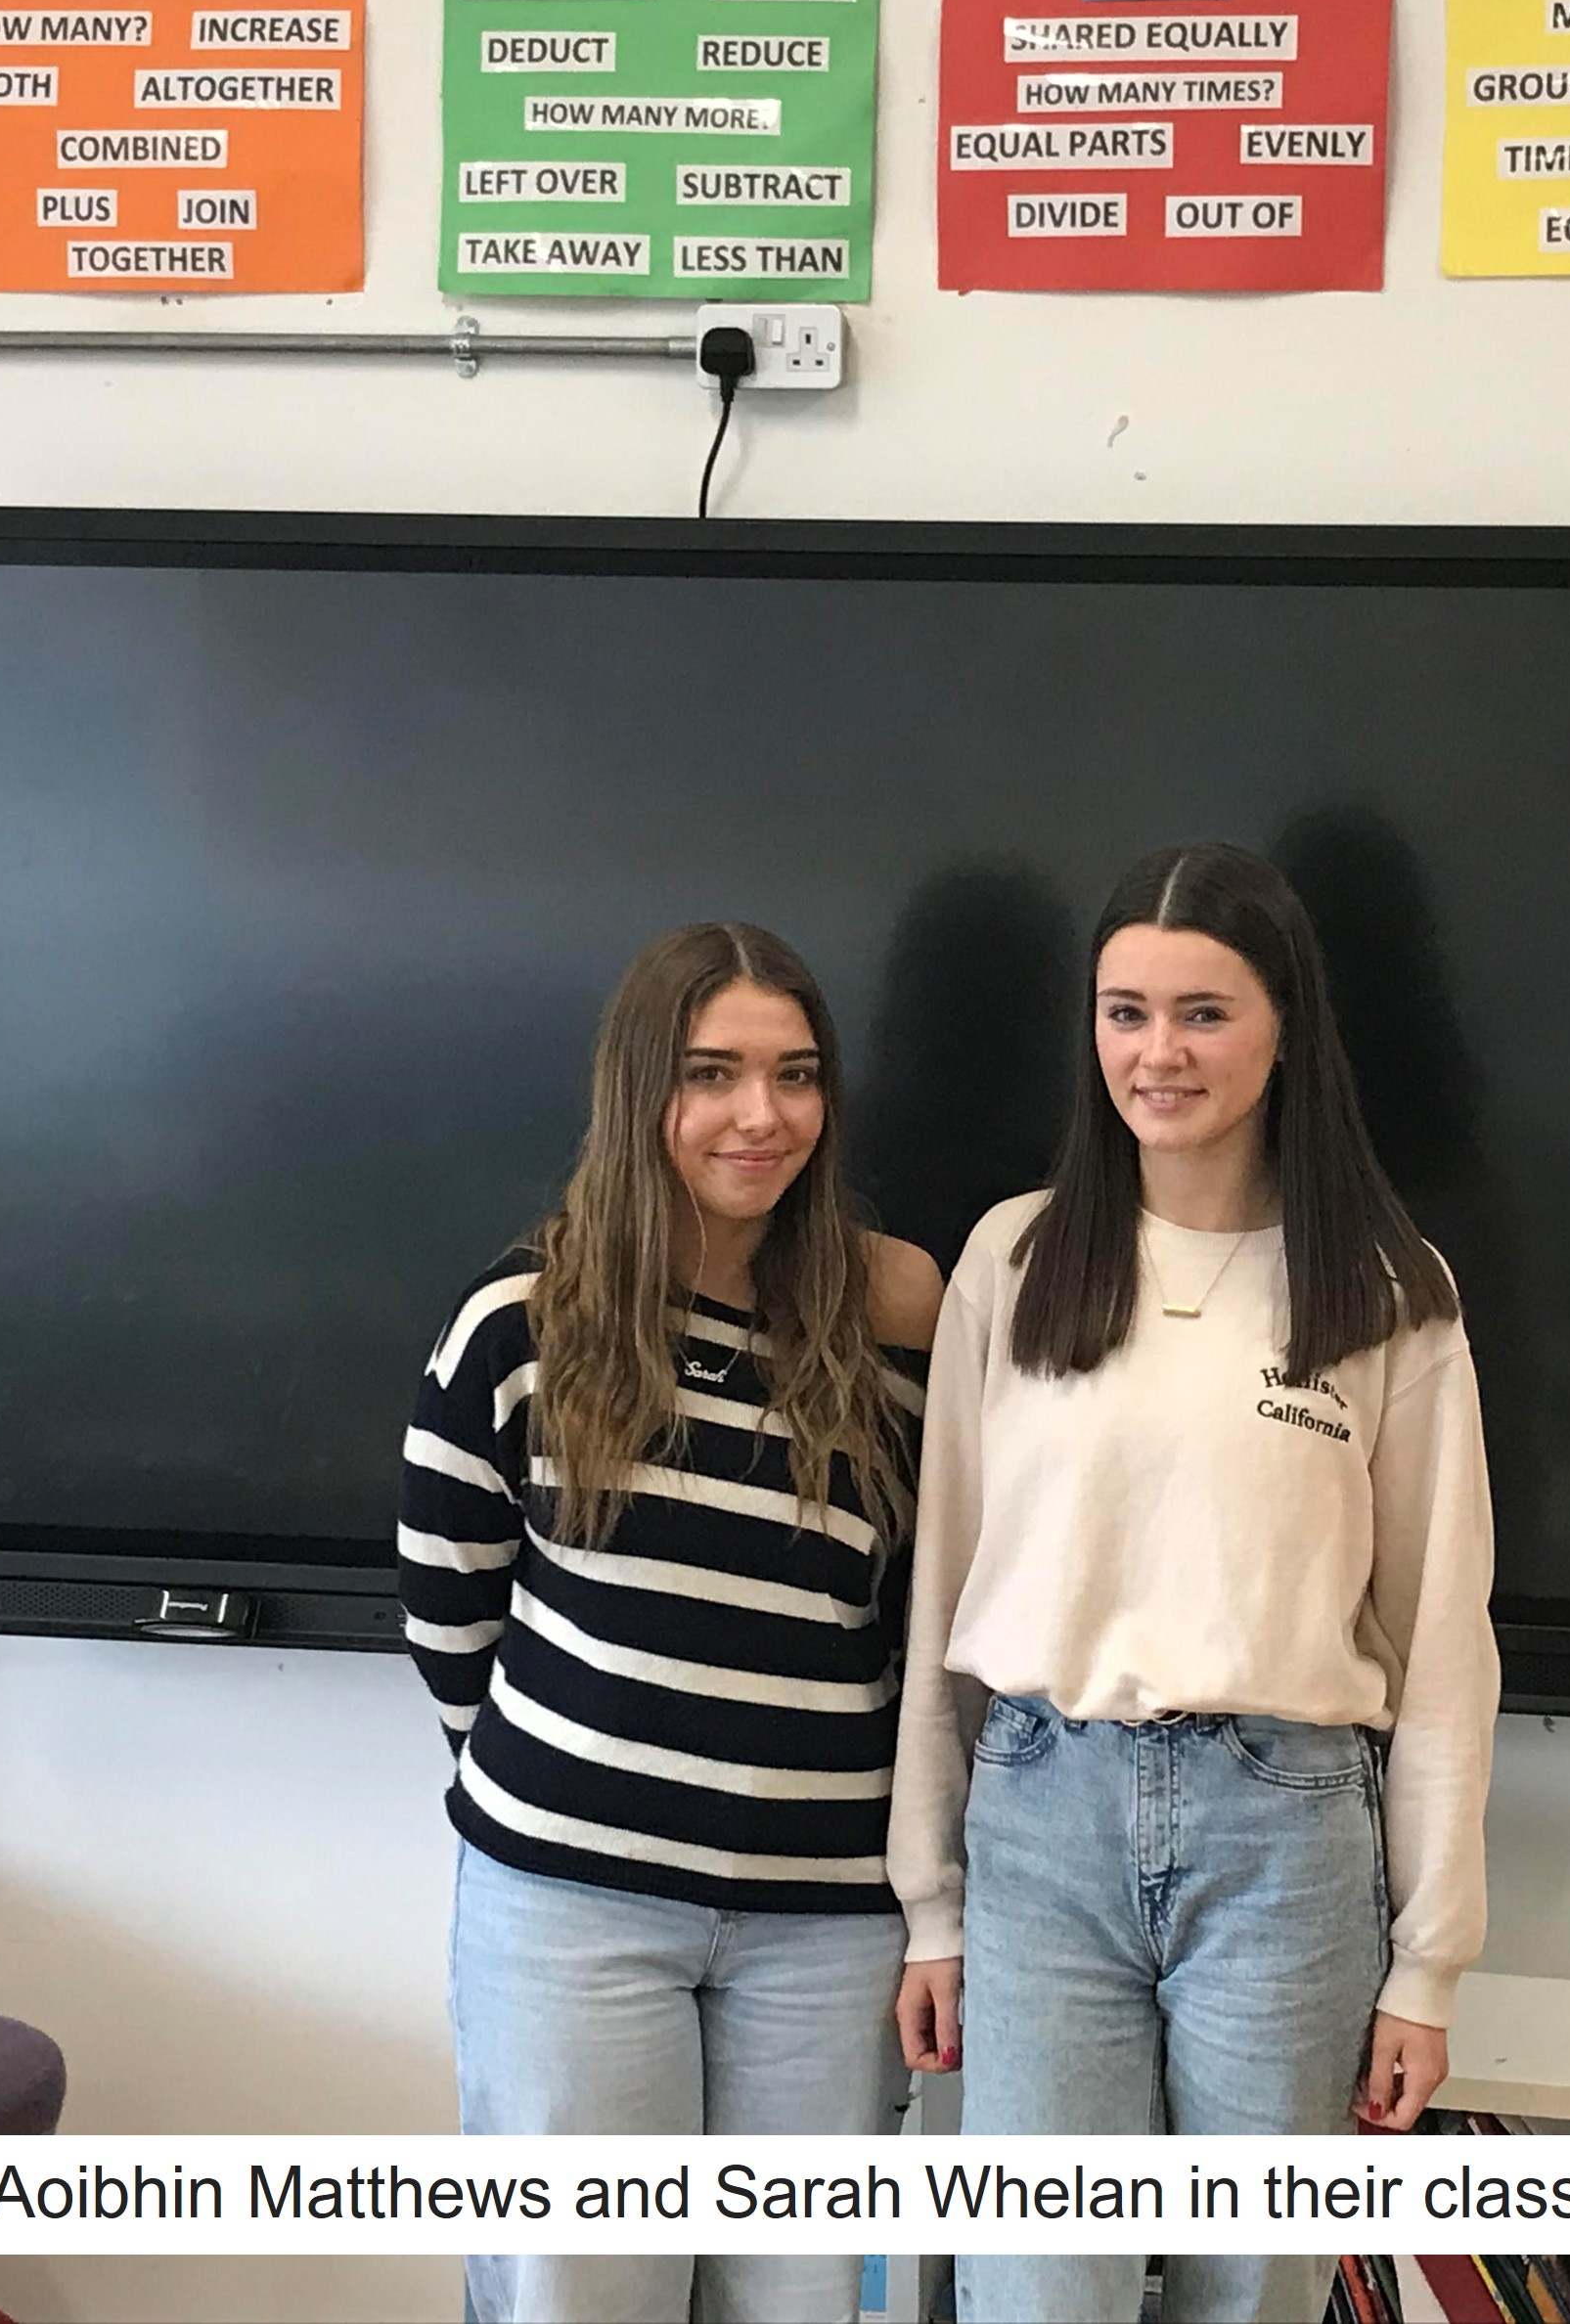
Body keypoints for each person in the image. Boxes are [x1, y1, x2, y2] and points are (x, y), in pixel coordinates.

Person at [890, 842, 1503, 2324]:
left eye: (1204, 1012)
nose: (1158, 1053)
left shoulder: (1385, 1288)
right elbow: (944, 1600)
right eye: (1124, 1011)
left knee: (1249, 2294)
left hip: (1284, 1839)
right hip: (1041, 1826)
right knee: (1039, 2290)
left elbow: (1439, 1635)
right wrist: (934, 1904)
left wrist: (1430, 1963)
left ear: (1285, 1024)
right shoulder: (1015, 1258)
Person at [401, 920, 941, 2324]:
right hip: (572, 1911)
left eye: (796, 1073)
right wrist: (576, 1781)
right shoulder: (524, 1320)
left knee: (798, 2298)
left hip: (825, 1929)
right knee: (580, 2296)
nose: (761, 1117)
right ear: (642, 1089)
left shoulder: (894, 1320)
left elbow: (920, 1618)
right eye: (713, 1074)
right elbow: (448, 1600)